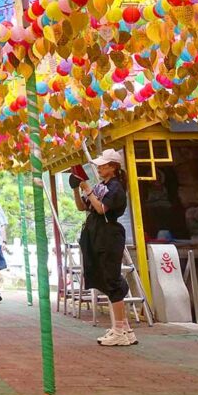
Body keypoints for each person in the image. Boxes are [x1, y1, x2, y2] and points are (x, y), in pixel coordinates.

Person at [72, 148, 135, 347]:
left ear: (113, 167)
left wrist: (87, 188)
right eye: (99, 165)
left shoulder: (115, 188)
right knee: (105, 277)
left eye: (104, 165)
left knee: (111, 280)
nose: (99, 168)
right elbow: (83, 207)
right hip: (96, 235)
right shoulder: (101, 186)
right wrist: (77, 188)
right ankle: (123, 327)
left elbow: (101, 208)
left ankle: (119, 330)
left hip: (108, 236)